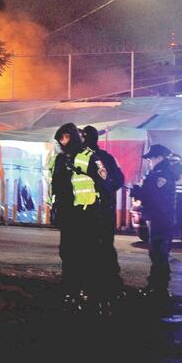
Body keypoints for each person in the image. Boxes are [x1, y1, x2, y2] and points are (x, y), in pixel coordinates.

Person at [49, 123, 103, 310]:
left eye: (62, 139)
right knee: (68, 252)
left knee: (86, 253)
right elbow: (55, 186)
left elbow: (104, 183)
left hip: (86, 213)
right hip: (67, 214)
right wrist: (54, 207)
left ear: (69, 136)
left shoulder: (88, 157)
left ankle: (87, 291)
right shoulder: (59, 159)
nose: (60, 143)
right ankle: (70, 290)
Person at [80, 125, 126, 303]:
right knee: (107, 245)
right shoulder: (107, 157)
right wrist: (108, 193)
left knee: (90, 246)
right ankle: (112, 282)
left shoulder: (83, 158)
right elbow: (119, 180)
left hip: (89, 210)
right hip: (106, 209)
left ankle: (94, 285)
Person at [131, 144, 179, 304]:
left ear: (159, 158)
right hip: (159, 218)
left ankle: (161, 288)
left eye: (151, 158)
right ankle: (155, 285)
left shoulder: (162, 174)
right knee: (156, 253)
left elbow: (154, 196)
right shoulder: (160, 172)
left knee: (160, 254)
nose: (149, 161)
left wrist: (139, 192)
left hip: (162, 219)